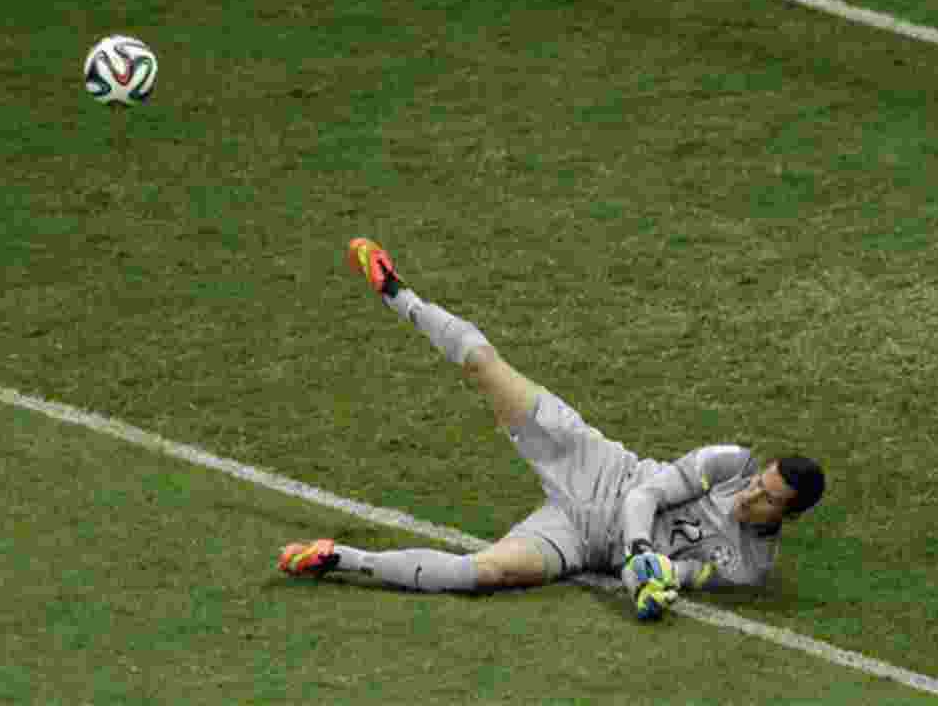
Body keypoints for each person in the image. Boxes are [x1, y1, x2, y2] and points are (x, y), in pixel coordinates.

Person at [279, 238, 826, 620]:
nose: (751, 492)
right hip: (598, 467)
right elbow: (649, 492)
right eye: (760, 481)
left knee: (485, 573)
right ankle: (398, 294)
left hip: (584, 539)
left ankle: (341, 560)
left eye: (766, 497)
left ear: (789, 515)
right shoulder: (731, 462)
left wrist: (648, 585)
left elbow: (671, 578)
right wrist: (639, 545)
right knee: (487, 369)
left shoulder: (750, 567)